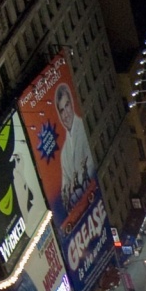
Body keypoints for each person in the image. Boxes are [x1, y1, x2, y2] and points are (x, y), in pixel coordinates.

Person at [56, 82, 94, 210]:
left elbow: (91, 166)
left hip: (93, 195)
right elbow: (64, 189)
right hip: (80, 208)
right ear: (59, 115)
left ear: (72, 104)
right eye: (61, 110)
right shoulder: (63, 154)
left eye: (67, 106)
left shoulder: (84, 127)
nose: (66, 114)